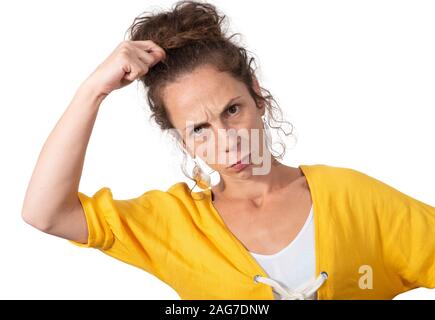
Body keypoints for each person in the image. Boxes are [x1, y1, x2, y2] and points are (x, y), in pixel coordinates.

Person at [21, 0, 435, 300]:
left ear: (258, 96)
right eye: (199, 128)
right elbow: (46, 214)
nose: (227, 138)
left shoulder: (353, 197)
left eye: (232, 110)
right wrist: (93, 90)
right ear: (182, 139)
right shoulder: (174, 224)